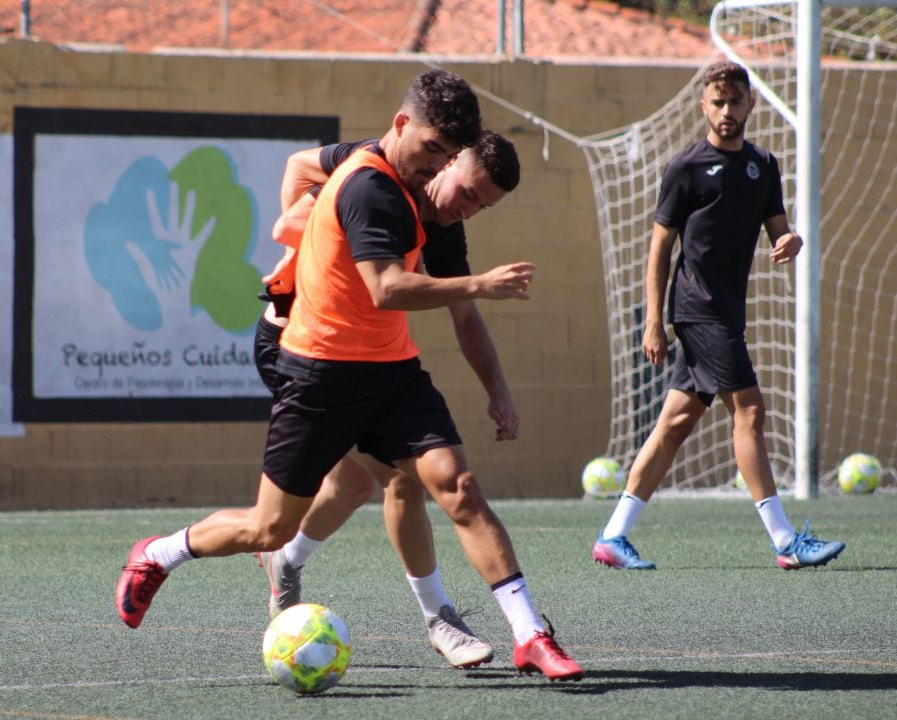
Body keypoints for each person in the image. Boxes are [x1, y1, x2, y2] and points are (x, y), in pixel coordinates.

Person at [116, 68, 584, 681]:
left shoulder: (439, 219)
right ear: (405, 130)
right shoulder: (368, 186)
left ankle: (528, 634)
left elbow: (462, 319)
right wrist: (303, 249)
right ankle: (159, 553)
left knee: (451, 485)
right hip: (315, 368)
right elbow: (386, 288)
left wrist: (498, 390)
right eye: (438, 156)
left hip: (390, 373)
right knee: (273, 524)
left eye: (476, 197)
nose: (451, 186)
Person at [255, 130, 522, 670]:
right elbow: (293, 189)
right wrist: (314, 257)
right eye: (468, 193)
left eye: (482, 206)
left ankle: (288, 562)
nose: (468, 210)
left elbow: (465, 315)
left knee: (365, 483)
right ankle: (436, 617)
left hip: (362, 363)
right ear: (446, 161)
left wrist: (498, 391)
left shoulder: (445, 228)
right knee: (380, 482)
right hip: (297, 347)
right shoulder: (370, 175)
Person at [591, 60, 845, 572]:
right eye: (717, 102)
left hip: (728, 312)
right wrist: (653, 323)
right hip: (697, 308)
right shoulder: (685, 168)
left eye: (735, 101)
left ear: (751, 103)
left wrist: (790, 240)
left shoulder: (763, 165)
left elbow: (780, 230)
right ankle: (784, 541)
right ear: (703, 105)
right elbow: (660, 248)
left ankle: (613, 536)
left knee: (676, 422)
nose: (726, 111)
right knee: (749, 411)